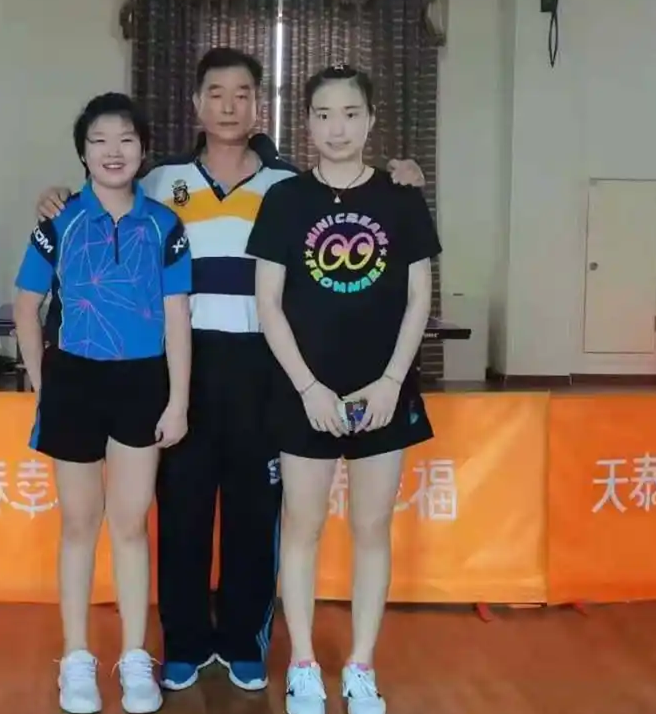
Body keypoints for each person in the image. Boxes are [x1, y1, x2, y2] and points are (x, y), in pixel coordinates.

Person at [34, 48, 427, 694]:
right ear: (196, 103)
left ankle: (246, 640)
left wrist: (401, 173)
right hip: (181, 362)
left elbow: (354, 193)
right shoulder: (159, 180)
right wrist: (55, 196)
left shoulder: (287, 186)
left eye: (242, 94)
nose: (228, 106)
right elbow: (101, 194)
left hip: (264, 363)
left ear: (258, 106)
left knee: (255, 508)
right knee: (182, 508)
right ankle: (184, 642)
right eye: (215, 93)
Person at [246, 65, 440, 714]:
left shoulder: (402, 198)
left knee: (371, 528)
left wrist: (390, 383)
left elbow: (419, 298)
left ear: (371, 120)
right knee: (301, 527)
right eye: (324, 114)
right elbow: (268, 304)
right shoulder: (285, 201)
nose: (338, 128)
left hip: (383, 393)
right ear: (306, 122)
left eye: (351, 114)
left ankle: (361, 665)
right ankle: (303, 663)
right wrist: (307, 388)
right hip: (305, 394)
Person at [13, 92, 192, 714]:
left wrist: (178, 401)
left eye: (125, 139)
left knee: (131, 525)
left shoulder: (165, 226)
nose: (113, 151)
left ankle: (136, 656)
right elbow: (26, 306)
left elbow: (177, 317)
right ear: (83, 153)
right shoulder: (58, 221)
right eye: (99, 140)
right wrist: (44, 383)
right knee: (79, 525)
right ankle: (76, 657)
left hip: (142, 384)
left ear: (143, 150)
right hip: (74, 382)